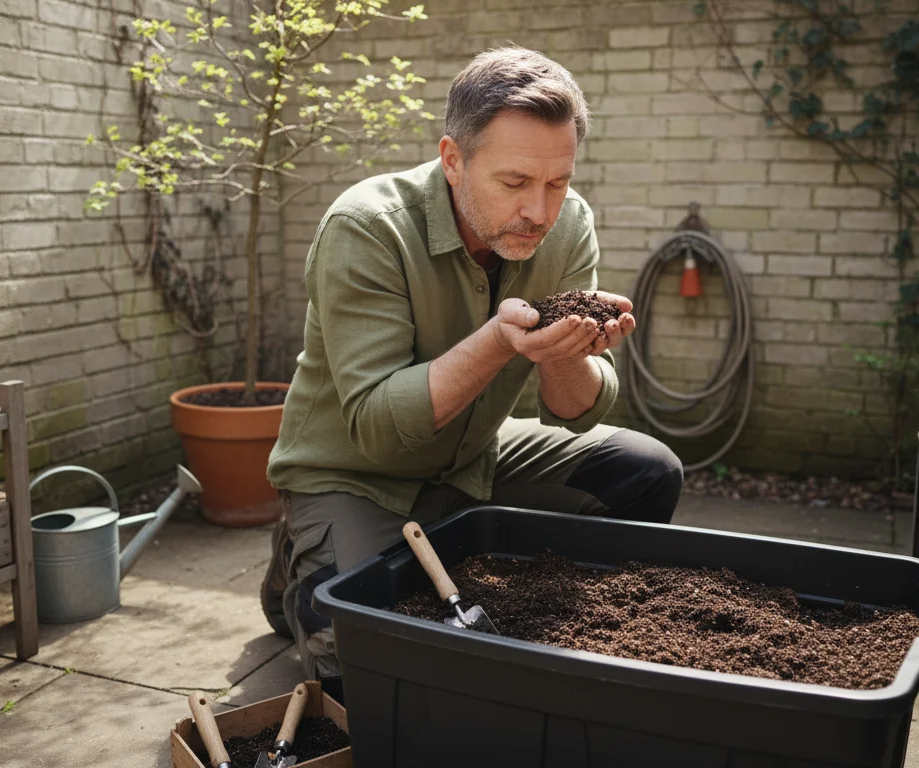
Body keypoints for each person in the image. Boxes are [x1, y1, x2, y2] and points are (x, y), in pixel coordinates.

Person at [260, 46, 684, 693]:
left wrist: (564, 355)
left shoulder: (568, 227)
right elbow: (376, 427)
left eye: (557, 183)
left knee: (644, 473)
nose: (540, 212)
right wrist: (497, 341)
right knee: (362, 671)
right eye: (515, 183)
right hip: (353, 472)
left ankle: (474, 580)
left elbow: (575, 413)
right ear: (454, 160)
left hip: (473, 457)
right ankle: (303, 557)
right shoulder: (367, 227)